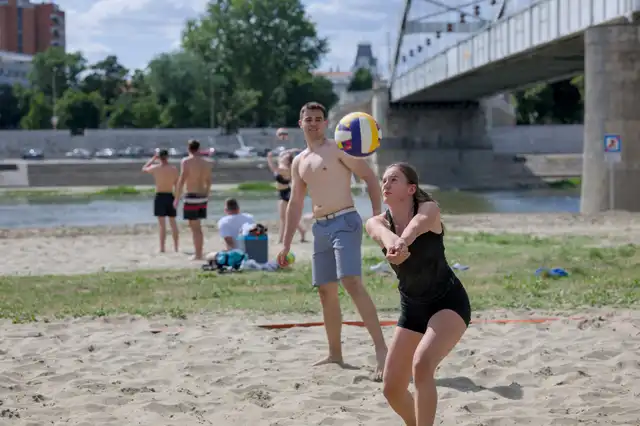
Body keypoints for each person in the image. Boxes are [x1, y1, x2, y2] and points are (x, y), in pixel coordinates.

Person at [277, 101, 388, 379]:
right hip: (319, 227)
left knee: (351, 282)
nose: (313, 123)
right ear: (300, 123)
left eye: (318, 119)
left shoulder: (340, 148)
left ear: (325, 123)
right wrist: (285, 242)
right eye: (308, 119)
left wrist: (377, 218)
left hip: (345, 221)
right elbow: (295, 204)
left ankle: (382, 352)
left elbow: (370, 179)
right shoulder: (299, 161)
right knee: (325, 291)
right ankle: (335, 354)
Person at [364, 162, 471, 426]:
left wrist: (403, 241)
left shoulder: (429, 209)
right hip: (412, 308)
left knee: (422, 366)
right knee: (392, 389)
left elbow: (418, 226)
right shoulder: (376, 222)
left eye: (394, 179)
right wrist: (394, 243)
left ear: (411, 188)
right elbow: (382, 234)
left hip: (448, 302)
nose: (386, 184)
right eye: (384, 180)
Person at [174, 139, 212, 260]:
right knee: (198, 227)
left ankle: (198, 254)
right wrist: (207, 194)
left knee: (194, 227)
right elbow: (208, 181)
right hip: (202, 195)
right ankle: (199, 252)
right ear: (199, 148)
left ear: (189, 149)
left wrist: (177, 198)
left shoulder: (186, 161)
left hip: (191, 196)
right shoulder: (206, 162)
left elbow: (182, 180)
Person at [141, 149, 179, 253]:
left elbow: (144, 168)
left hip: (160, 196)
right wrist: (177, 198)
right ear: (167, 157)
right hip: (170, 195)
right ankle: (176, 247)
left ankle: (162, 248)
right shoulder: (173, 169)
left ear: (159, 157)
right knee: (173, 222)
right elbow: (177, 185)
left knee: (162, 224)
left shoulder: (156, 168)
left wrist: (153, 159)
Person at [266, 149, 306, 243]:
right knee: (287, 217)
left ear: (288, 160)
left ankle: (281, 239)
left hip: (285, 193)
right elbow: (281, 154)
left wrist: (269, 158)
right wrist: (291, 150)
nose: (282, 156)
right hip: (281, 192)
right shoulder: (282, 164)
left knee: (284, 218)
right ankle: (302, 231)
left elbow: (273, 169)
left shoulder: (286, 169)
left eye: (285, 156)